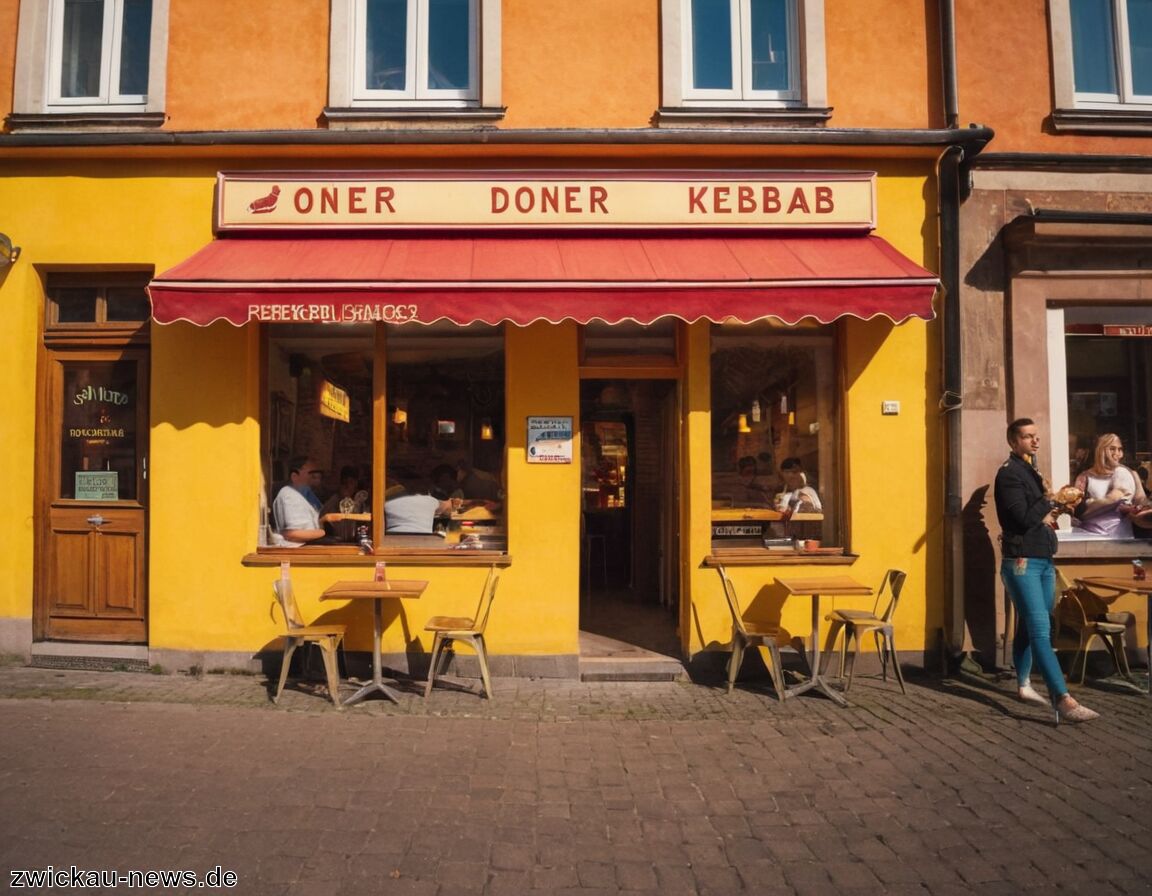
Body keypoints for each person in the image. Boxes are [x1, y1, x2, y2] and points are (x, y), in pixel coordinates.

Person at [994, 418, 1098, 724]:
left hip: (1042, 557)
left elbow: (1037, 514)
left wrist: (1058, 508)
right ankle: (1062, 698)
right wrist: (1050, 500)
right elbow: (1023, 518)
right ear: (1014, 441)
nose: (1035, 442)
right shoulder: (1009, 474)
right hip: (1021, 560)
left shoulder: (1030, 470)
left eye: (1036, 437)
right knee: (1041, 628)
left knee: (1031, 626)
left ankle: (1024, 685)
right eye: (1028, 437)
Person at [1073, 433, 1146, 538]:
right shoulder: (1085, 477)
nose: (1117, 453)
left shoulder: (1130, 473)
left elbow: (1140, 501)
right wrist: (1108, 501)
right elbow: (1076, 510)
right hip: (1092, 535)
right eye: (1112, 449)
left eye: (1120, 449)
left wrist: (1136, 509)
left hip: (1123, 536)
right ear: (1101, 450)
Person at [272, 456, 344, 546]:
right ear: (295, 476)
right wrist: (322, 533)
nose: (315, 478)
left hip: (310, 548)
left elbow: (322, 515)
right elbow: (291, 534)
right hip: (296, 552)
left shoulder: (307, 493)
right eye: (311, 474)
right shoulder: (289, 494)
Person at [384, 476, 461, 534]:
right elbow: (448, 507)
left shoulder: (385, 503)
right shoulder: (431, 501)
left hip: (392, 540)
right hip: (423, 541)